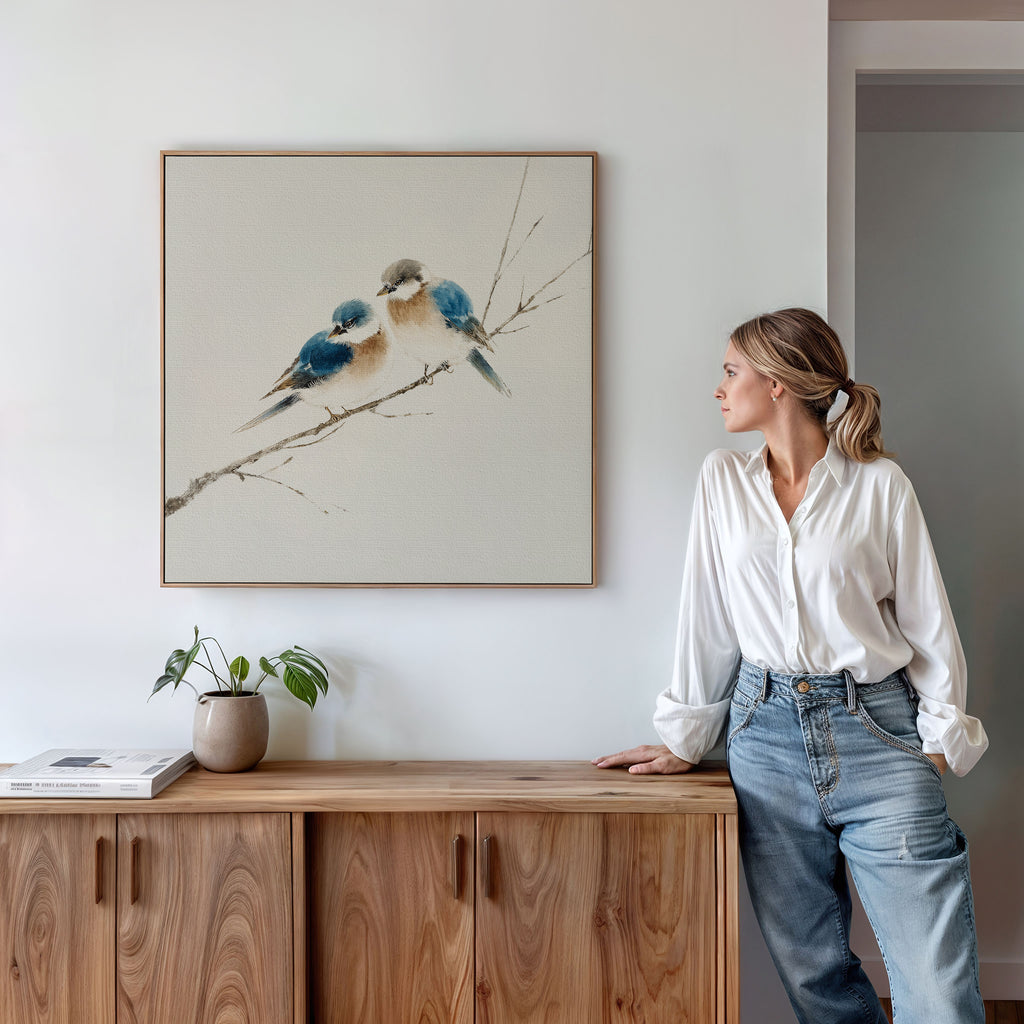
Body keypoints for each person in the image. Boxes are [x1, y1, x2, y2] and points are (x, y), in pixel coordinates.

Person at [594, 308, 988, 1024]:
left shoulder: (880, 486)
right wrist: (687, 736)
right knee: (815, 979)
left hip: (879, 729)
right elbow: (705, 616)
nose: (719, 388)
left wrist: (936, 741)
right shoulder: (722, 481)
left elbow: (929, 622)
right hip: (763, 735)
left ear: (777, 384)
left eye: (730, 371)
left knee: (937, 989)